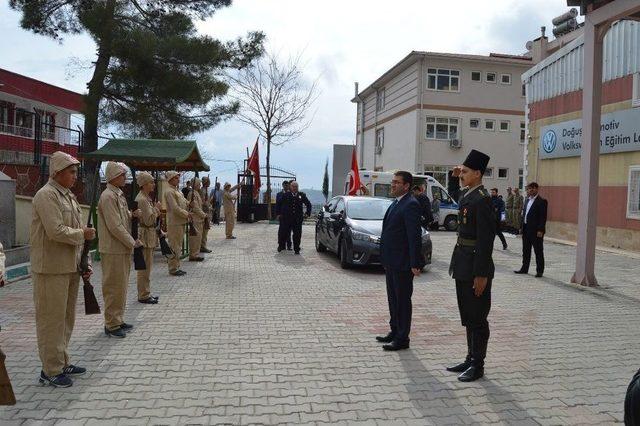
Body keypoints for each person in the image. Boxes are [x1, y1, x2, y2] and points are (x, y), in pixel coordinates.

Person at [29, 151, 95, 387]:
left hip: (68, 267)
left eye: (76, 171)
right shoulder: (46, 195)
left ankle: (61, 360)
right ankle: (50, 370)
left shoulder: (68, 196)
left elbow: (76, 234)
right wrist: (83, 234)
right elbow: (56, 231)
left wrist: (83, 263)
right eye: (71, 171)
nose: (75, 176)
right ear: (57, 172)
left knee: (66, 319)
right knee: (51, 321)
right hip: (50, 269)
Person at [446, 149, 496, 382]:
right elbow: (455, 195)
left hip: (476, 266)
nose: (462, 174)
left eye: (465, 171)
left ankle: (478, 364)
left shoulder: (483, 199)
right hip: (463, 263)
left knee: (478, 317)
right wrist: (452, 175)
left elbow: (486, 241)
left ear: (477, 173)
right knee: (467, 314)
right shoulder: (469, 195)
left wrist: (481, 274)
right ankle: (469, 358)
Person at [376, 171, 423, 351]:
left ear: (406, 186)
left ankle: (403, 338)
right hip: (391, 261)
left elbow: (414, 236)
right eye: (392, 182)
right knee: (393, 299)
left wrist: (415, 263)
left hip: (403, 263)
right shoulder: (397, 203)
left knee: (402, 301)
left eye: (396, 182)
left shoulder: (411, 204)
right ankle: (394, 331)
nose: (392, 185)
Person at [98, 162, 142, 339]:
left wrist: (132, 216)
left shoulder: (118, 195)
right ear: (114, 176)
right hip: (113, 248)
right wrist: (132, 242)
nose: (125, 177)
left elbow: (122, 219)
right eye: (122, 174)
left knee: (121, 286)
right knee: (113, 286)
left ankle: (118, 318)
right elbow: (115, 225)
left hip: (121, 248)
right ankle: (111, 323)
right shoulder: (108, 196)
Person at [134, 171, 160, 305]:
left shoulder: (146, 198)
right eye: (151, 182)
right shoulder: (143, 200)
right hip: (145, 235)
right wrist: (156, 209)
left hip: (148, 235)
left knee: (148, 267)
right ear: (144, 184)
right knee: (144, 268)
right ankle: (143, 294)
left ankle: (146, 292)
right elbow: (149, 221)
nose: (153, 184)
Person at [515, 182, 547, 278]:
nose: (530, 190)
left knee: (538, 251)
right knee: (525, 250)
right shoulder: (527, 200)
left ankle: (539, 271)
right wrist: (521, 227)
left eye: (533, 188)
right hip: (526, 229)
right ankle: (524, 268)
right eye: (529, 189)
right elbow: (524, 215)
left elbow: (543, 217)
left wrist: (540, 230)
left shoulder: (542, 201)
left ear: (537, 189)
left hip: (536, 231)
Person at [164, 171, 191, 276]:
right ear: (170, 179)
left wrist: (190, 203)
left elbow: (184, 202)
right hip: (174, 222)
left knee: (178, 246)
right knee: (174, 246)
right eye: (176, 178)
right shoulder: (169, 192)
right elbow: (175, 208)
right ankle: (173, 268)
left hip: (180, 222)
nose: (178, 180)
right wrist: (187, 214)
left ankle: (177, 266)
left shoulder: (177, 191)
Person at [279, 181, 312, 254]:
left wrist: (307, 213)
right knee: (284, 233)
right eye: (293, 186)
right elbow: (279, 204)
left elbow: (308, 204)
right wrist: (279, 214)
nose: (294, 188)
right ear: (290, 187)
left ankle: (296, 249)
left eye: (296, 187)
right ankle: (281, 245)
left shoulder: (301, 195)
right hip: (287, 219)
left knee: (297, 234)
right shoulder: (286, 195)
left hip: (297, 219)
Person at [186, 178, 206, 261]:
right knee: (195, 238)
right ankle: (193, 255)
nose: (200, 185)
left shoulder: (196, 193)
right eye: (198, 184)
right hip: (195, 219)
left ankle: (195, 254)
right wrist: (203, 215)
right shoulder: (192, 194)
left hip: (199, 219)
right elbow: (195, 207)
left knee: (198, 238)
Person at [276, 180, 293, 251]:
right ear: (283, 186)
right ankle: (281, 245)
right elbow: (277, 205)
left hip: (289, 216)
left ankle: (289, 245)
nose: (286, 187)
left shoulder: (291, 194)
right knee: (281, 231)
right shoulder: (279, 194)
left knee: (288, 231)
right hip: (282, 215)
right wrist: (277, 214)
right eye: (285, 185)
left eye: (287, 185)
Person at [199, 176, 212, 253]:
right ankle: (202, 246)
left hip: (206, 212)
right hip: (204, 212)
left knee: (205, 231)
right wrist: (209, 206)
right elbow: (203, 202)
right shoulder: (202, 191)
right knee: (204, 231)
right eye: (208, 181)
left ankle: (203, 245)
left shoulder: (205, 190)